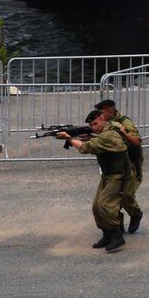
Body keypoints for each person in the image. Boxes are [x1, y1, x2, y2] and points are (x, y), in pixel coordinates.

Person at [58, 108, 134, 252]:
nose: (93, 127)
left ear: (103, 119)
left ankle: (117, 236)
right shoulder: (104, 133)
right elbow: (95, 142)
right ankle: (107, 235)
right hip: (108, 175)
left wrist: (69, 138)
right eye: (91, 125)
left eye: (95, 123)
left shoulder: (110, 135)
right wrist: (86, 137)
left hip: (119, 176)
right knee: (96, 207)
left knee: (105, 205)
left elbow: (86, 148)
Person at [95, 98, 143, 233]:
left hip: (130, 162)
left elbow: (136, 141)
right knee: (113, 195)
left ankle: (135, 214)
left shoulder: (124, 122)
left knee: (126, 194)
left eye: (103, 113)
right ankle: (117, 222)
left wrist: (123, 132)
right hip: (114, 164)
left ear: (110, 111)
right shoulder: (104, 122)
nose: (101, 116)